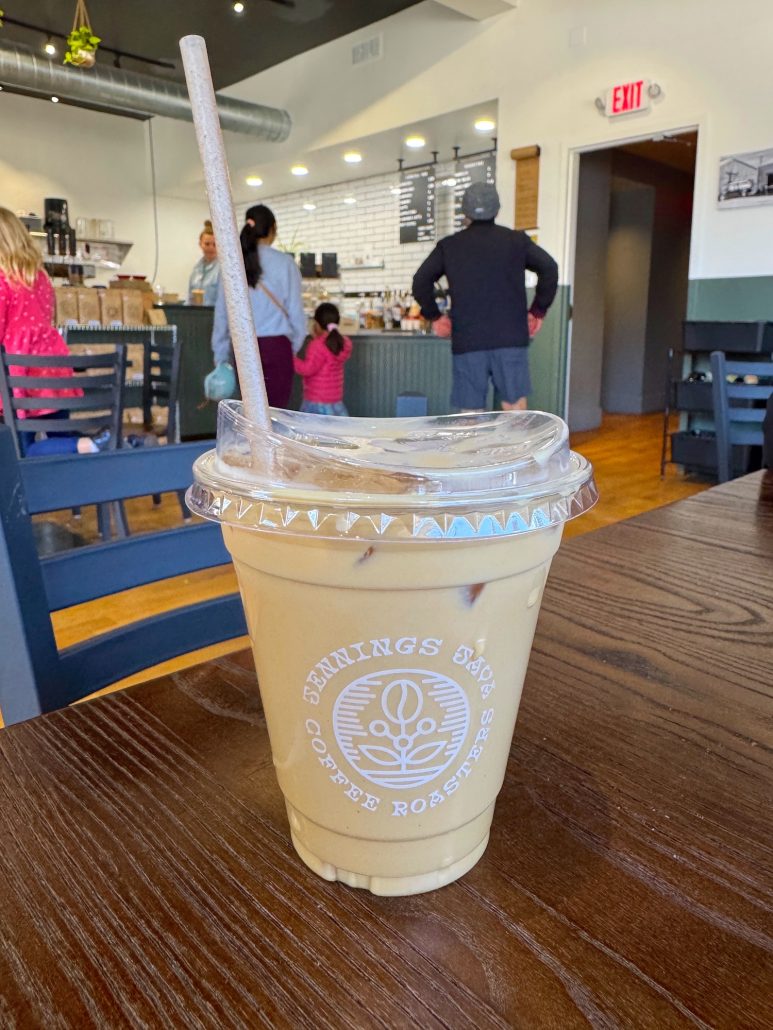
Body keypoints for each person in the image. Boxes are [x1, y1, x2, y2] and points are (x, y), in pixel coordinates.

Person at [412, 182, 559, 412]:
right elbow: (549, 268)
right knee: (515, 409)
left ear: (464, 212)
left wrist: (435, 316)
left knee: (470, 416)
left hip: (468, 339)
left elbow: (421, 281)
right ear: (497, 209)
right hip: (511, 338)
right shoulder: (516, 240)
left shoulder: (450, 246)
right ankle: (517, 450)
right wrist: (538, 310)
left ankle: (473, 450)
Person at [0, 206, 109, 456]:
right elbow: (48, 316)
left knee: (20, 449)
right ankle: (81, 454)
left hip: (19, 373)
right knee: (60, 431)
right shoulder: (39, 277)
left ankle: (87, 445)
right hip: (55, 365)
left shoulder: (2, 279)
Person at [209, 204, 307, 409]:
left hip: (244, 348)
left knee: (252, 416)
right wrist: (292, 347)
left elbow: (222, 315)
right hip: (277, 347)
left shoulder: (232, 263)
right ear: (272, 229)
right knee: (276, 415)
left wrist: (220, 354)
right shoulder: (285, 263)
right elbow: (297, 315)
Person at [293, 302, 352, 415]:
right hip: (335, 401)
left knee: (312, 432)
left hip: (316, 401)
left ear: (317, 324)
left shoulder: (317, 345)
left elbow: (307, 369)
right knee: (333, 432)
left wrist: (292, 358)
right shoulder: (342, 343)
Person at [188, 220, 221, 305]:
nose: (211, 248)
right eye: (207, 244)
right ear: (200, 244)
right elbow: (189, 298)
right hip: (197, 315)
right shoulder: (196, 269)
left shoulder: (223, 270)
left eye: (215, 244)